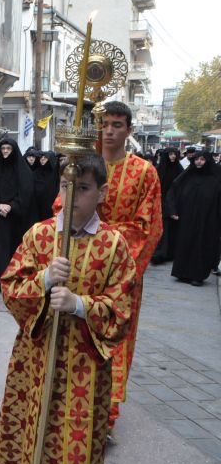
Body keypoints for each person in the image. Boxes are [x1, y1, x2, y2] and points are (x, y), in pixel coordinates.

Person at [0, 154, 136, 464]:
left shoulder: (114, 245)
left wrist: (79, 304)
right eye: (66, 186)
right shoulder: (39, 236)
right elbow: (10, 287)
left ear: (101, 193)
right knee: (33, 435)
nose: (72, 196)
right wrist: (42, 279)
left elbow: (121, 311)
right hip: (35, 361)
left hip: (84, 368)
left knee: (76, 448)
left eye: (83, 188)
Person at [53, 101, 162, 432]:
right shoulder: (84, 167)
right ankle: (71, 405)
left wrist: (108, 247)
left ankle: (106, 417)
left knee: (114, 340)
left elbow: (148, 226)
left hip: (120, 275)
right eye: (105, 124)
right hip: (81, 270)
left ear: (129, 130)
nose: (110, 131)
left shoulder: (145, 172)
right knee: (77, 337)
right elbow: (61, 207)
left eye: (117, 125)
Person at [0, 138, 34, 293]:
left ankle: (14, 280)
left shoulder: (23, 172)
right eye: (3, 148)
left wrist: (11, 206)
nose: (5, 151)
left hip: (16, 219)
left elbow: (26, 193)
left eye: (8, 148)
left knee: (14, 250)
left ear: (14, 150)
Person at [166, 150, 221, 286]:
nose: (199, 162)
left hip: (207, 220)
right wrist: (172, 210)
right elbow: (173, 191)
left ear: (207, 161)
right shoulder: (186, 176)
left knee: (201, 245)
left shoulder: (215, 180)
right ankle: (182, 272)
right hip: (187, 218)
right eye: (197, 159)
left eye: (202, 159)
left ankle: (197, 275)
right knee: (185, 242)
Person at [151, 147, 183, 264]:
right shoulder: (160, 169)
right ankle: (160, 253)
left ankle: (169, 253)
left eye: (175, 154)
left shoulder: (179, 169)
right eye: (170, 154)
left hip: (175, 203)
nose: (173, 156)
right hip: (161, 202)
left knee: (172, 229)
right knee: (162, 229)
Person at [33, 150, 60, 221]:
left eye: (45, 157)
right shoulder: (36, 173)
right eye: (41, 157)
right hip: (36, 207)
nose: (42, 159)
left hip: (51, 206)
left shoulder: (55, 173)